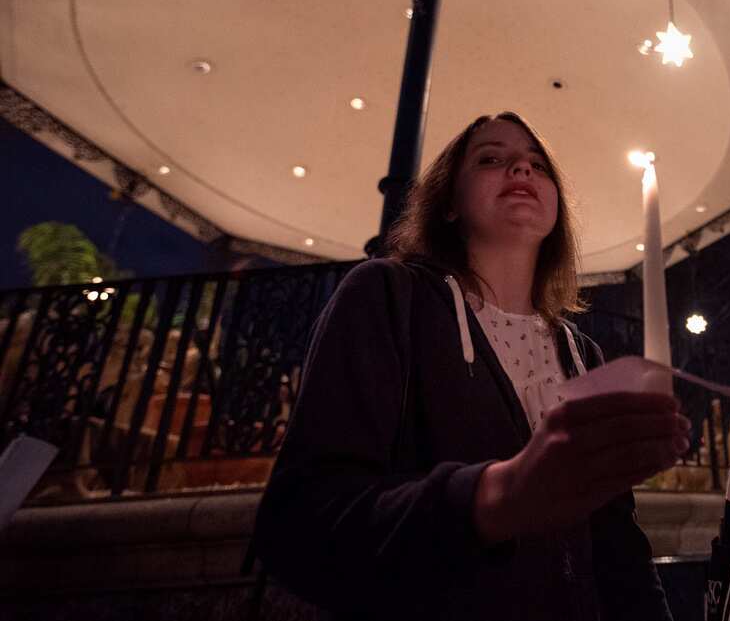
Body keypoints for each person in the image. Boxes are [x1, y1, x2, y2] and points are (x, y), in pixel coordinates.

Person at [253, 112, 685, 620]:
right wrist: (495, 497)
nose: (521, 170)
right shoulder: (389, 299)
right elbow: (302, 524)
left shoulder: (579, 353)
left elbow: (617, 544)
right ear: (451, 203)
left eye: (537, 165)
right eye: (492, 159)